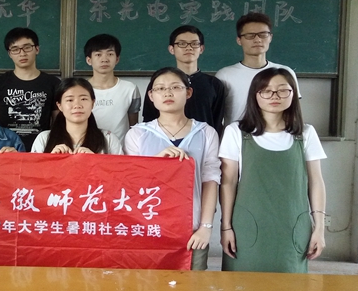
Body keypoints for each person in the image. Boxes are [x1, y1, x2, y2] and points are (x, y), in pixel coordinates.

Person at [219, 68, 326, 273]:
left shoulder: (305, 133)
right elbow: (228, 182)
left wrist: (319, 228)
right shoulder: (236, 132)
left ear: (293, 94)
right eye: (266, 91)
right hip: (247, 226)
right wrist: (226, 227)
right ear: (255, 95)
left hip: (293, 224)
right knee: (240, 286)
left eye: (282, 90)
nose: (274, 96)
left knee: (290, 286)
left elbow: (316, 182)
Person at [124, 67, 220, 270]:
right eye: (160, 88)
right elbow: (132, 182)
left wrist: (206, 227)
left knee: (192, 286)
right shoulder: (137, 134)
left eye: (175, 87)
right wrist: (157, 163)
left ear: (188, 92)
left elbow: (210, 181)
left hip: (192, 230)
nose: (167, 93)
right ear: (151, 96)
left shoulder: (206, 133)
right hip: (148, 228)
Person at [215, 12, 300, 126]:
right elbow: (216, 113)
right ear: (239, 40)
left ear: (270, 37)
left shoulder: (285, 73)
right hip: (238, 134)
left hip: (276, 134)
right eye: (250, 35)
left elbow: (294, 110)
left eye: (263, 34)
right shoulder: (225, 75)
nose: (257, 40)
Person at [142, 26, 225, 137]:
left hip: (204, 142)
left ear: (201, 49)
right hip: (164, 142)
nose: (189, 48)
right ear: (171, 49)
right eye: (182, 44)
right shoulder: (159, 83)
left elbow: (217, 122)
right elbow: (149, 119)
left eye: (194, 44)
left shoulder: (214, 84)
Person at [0, 27, 60, 151]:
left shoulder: (53, 83)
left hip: (40, 149)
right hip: (5, 150)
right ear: (9, 54)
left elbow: (58, 124)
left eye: (27, 47)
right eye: (15, 49)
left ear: (37, 49)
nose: (22, 53)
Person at [31, 78, 122, 155]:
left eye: (83, 99)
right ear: (59, 106)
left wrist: (94, 161)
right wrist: (51, 160)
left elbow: (120, 170)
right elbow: (33, 170)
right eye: (70, 100)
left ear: (92, 103)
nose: (77, 105)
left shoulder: (108, 139)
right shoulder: (44, 139)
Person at [84, 33, 141, 141]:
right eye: (98, 55)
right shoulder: (80, 90)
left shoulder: (130, 89)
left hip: (121, 149)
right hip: (88, 147)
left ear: (117, 59)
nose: (104, 59)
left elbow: (133, 126)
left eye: (110, 54)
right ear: (89, 60)